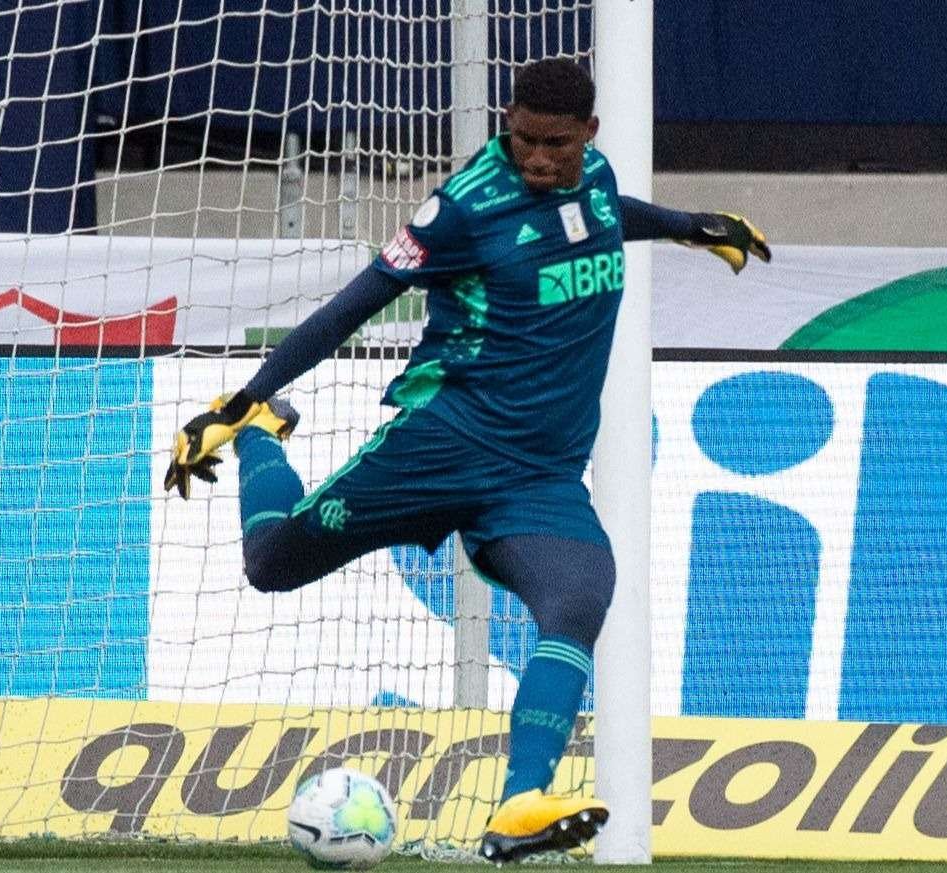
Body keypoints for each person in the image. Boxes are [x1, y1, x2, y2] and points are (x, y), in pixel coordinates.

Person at [163, 57, 769, 863]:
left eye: (555, 144)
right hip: (441, 445)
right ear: (507, 123)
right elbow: (353, 305)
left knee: (580, 598)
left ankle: (519, 802)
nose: (537, 159)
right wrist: (243, 399)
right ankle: (263, 437)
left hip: (539, 476)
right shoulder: (460, 208)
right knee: (272, 563)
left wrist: (689, 224)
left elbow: (601, 212)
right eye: (522, 139)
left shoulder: (592, 179)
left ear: (588, 135)